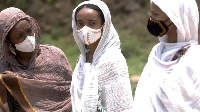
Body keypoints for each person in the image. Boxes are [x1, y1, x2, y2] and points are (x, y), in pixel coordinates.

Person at [0, 7, 72, 112]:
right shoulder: (4, 68)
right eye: (20, 36)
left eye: (29, 31)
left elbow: (72, 92)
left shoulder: (54, 55)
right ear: (8, 41)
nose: (28, 38)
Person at [133, 0, 200, 111]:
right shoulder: (157, 52)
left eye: (155, 14)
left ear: (175, 17)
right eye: (151, 14)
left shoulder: (194, 57)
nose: (151, 19)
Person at [70, 0, 134, 111]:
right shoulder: (82, 60)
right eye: (80, 23)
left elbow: (121, 107)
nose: (85, 29)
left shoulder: (112, 60)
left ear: (104, 25)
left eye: (92, 23)